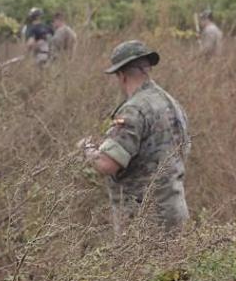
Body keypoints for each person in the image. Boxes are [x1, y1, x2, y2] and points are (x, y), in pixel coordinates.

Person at [78, 41, 191, 234]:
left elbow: (107, 164)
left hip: (143, 222)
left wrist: (86, 149)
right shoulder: (171, 103)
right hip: (175, 212)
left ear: (121, 76)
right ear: (147, 69)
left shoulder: (134, 109)